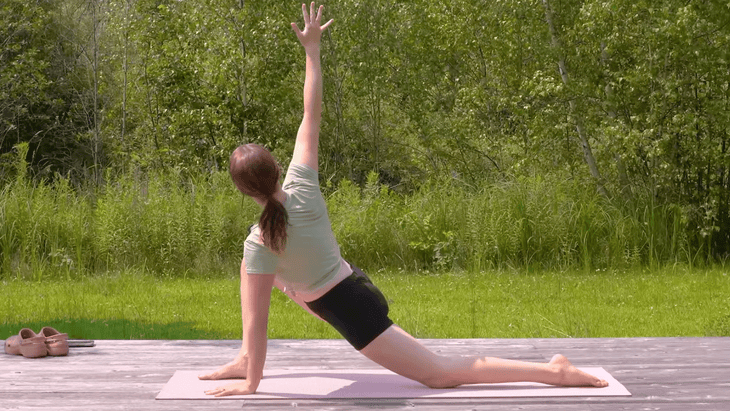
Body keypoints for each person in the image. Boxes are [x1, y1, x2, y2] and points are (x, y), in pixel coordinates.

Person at [199, 2, 608, 397]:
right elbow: (312, 115)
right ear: (274, 167)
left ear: (243, 191)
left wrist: (252, 384)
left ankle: (555, 372)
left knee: (440, 375)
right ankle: (244, 358)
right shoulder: (301, 184)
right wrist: (312, 50)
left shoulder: (261, 243)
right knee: (258, 272)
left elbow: (258, 323)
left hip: (350, 308)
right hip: (347, 286)